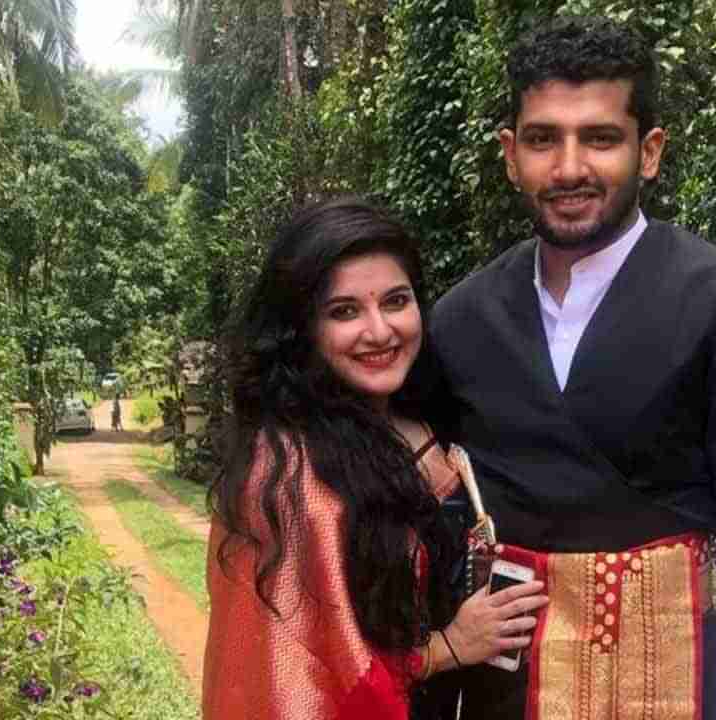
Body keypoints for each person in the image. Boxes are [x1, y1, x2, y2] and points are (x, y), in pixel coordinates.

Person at [429, 17, 716, 720]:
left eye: (600, 138)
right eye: (543, 139)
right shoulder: (461, 318)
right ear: (510, 155)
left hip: (675, 687)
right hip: (502, 694)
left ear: (650, 152)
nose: (569, 168)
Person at [202, 198, 548, 720]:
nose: (380, 331)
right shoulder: (287, 471)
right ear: (302, 328)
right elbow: (296, 675)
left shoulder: (430, 417)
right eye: (344, 311)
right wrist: (448, 647)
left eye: (395, 301)